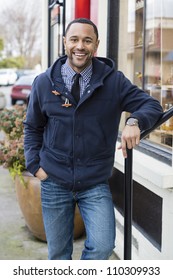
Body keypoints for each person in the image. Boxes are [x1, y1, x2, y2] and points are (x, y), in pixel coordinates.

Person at [24, 18, 163, 260]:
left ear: (96, 45)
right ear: (65, 42)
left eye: (87, 40)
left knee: (102, 246)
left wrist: (134, 122)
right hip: (54, 180)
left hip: (94, 183)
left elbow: (151, 105)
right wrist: (35, 166)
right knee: (58, 255)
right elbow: (32, 127)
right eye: (75, 39)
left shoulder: (113, 82)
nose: (80, 46)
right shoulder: (44, 83)